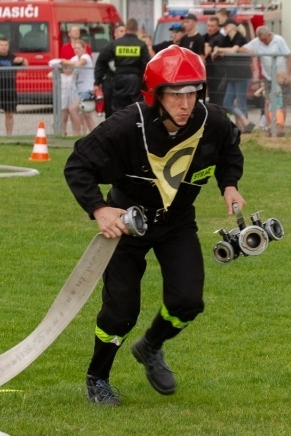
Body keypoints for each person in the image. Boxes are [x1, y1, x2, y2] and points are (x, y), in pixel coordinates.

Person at [64, 45, 247, 406]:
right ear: (155, 95)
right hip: (127, 225)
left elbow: (229, 150)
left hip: (177, 224)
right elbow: (77, 165)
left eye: (192, 93)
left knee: (188, 301)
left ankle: (151, 346)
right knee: (120, 312)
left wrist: (229, 184)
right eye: (175, 95)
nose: (185, 104)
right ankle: (97, 377)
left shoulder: (213, 121)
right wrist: (99, 209)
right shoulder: (125, 126)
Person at [242, 26, 291, 137]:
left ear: (269, 35)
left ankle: (281, 127)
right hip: (268, 77)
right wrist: (248, 51)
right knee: (268, 102)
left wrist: (288, 75)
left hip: (281, 76)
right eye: (261, 40)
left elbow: (289, 56)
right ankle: (269, 127)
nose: (263, 42)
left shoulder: (279, 40)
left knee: (282, 102)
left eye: (265, 40)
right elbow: (242, 48)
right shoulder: (257, 42)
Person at [93, 18, 149, 115]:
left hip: (119, 79)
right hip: (135, 80)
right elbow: (146, 65)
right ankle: (136, 128)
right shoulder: (141, 45)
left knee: (118, 109)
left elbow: (101, 60)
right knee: (137, 107)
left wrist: (97, 81)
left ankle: (119, 128)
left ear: (126, 28)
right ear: (136, 29)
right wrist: (145, 84)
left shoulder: (115, 44)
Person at [212, 18, 256, 133]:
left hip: (241, 74)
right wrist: (218, 50)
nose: (224, 28)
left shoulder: (239, 38)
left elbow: (233, 50)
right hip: (231, 74)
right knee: (227, 102)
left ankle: (246, 127)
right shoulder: (227, 39)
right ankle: (245, 122)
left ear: (232, 26)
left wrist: (220, 50)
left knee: (241, 101)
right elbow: (220, 48)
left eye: (226, 26)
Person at [61, 39, 94, 134]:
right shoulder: (75, 58)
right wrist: (62, 63)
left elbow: (78, 64)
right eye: (75, 48)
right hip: (79, 90)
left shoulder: (86, 57)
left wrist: (65, 62)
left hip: (87, 90)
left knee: (73, 109)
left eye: (79, 48)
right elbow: (68, 66)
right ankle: (93, 133)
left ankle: (77, 132)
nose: (76, 50)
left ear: (84, 49)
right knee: (86, 114)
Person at [96, 22, 126, 118]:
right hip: (110, 83)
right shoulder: (108, 48)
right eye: (121, 31)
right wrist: (97, 82)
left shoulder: (129, 47)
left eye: (125, 31)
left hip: (124, 83)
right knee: (109, 111)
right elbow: (100, 64)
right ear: (115, 33)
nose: (124, 33)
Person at [203, 16, 227, 107]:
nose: (210, 28)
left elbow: (206, 51)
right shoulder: (204, 36)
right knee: (212, 97)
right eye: (208, 25)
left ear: (218, 27)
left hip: (219, 73)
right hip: (209, 72)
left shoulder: (220, 37)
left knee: (218, 97)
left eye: (212, 26)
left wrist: (205, 47)